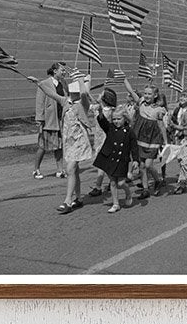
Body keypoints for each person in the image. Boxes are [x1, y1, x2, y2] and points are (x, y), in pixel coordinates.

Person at [28, 74, 95, 214]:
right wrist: (38, 83)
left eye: (76, 92)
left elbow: (84, 94)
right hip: (68, 142)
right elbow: (51, 93)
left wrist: (81, 80)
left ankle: (67, 201)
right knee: (74, 170)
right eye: (73, 92)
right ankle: (78, 198)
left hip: (79, 142)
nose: (74, 94)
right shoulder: (65, 102)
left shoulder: (83, 104)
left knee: (70, 169)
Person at [122, 78, 167, 199]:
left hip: (152, 139)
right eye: (145, 93)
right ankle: (146, 189)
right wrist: (124, 79)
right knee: (141, 165)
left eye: (149, 94)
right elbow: (131, 91)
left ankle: (158, 180)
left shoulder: (159, 109)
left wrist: (165, 142)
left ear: (155, 95)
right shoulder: (141, 102)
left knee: (148, 165)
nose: (146, 96)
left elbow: (161, 126)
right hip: (140, 138)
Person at [94, 104, 139, 213]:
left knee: (121, 183)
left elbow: (134, 147)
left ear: (125, 118)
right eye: (114, 119)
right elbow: (103, 122)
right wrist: (100, 112)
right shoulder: (110, 128)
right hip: (110, 158)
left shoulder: (129, 132)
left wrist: (136, 160)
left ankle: (128, 193)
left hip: (122, 160)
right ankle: (116, 204)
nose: (116, 121)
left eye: (119, 119)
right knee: (113, 182)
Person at [32, 62, 66, 179]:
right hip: (48, 121)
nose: (64, 72)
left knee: (59, 146)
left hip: (60, 120)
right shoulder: (44, 84)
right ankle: (36, 169)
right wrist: (40, 119)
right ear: (55, 71)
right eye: (62, 70)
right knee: (43, 146)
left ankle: (60, 170)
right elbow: (39, 102)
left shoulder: (63, 84)